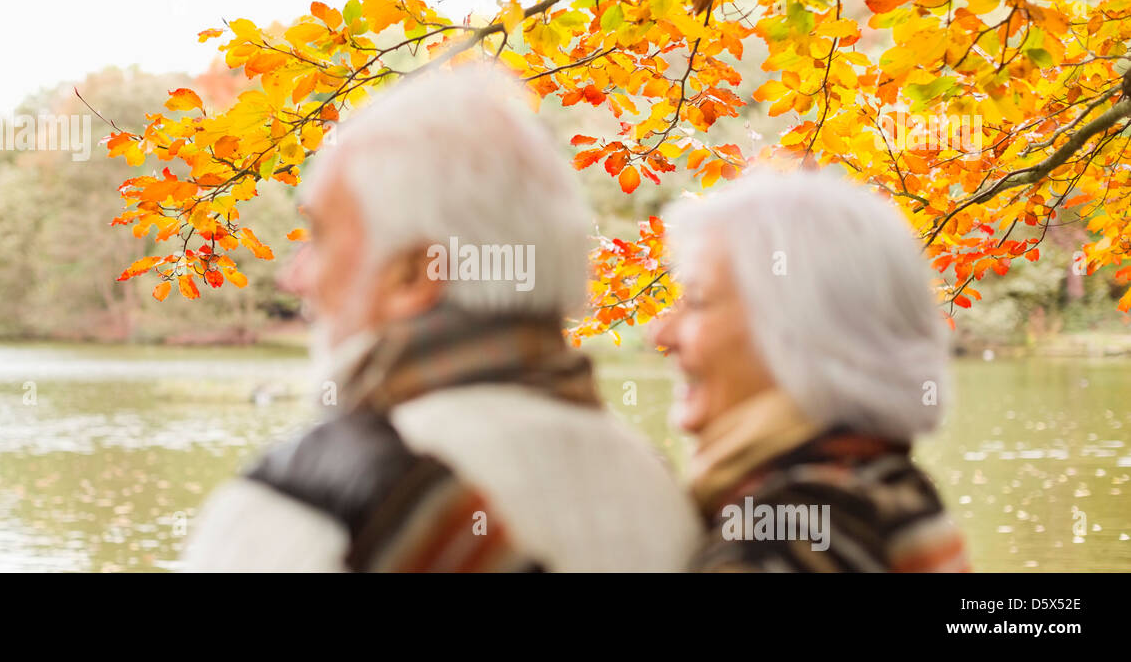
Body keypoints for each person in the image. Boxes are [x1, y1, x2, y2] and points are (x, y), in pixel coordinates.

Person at [181, 66, 698, 572]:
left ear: (414, 275)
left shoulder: (307, 508)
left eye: (318, 235)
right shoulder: (662, 493)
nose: (296, 278)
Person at [650, 169, 970, 572]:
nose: (660, 333)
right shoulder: (885, 490)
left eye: (697, 301)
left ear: (800, 330)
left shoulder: (777, 543)